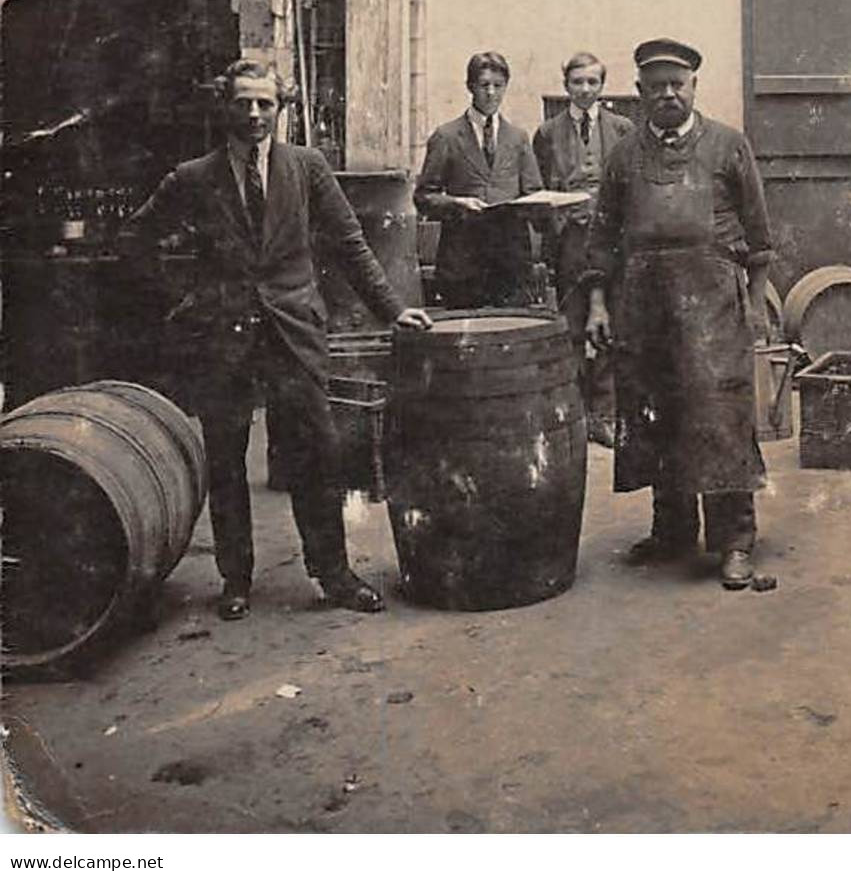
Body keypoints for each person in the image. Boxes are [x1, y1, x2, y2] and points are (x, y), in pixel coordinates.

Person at [121, 59, 433, 620]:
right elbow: (135, 240)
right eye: (243, 103)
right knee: (227, 461)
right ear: (226, 108)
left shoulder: (307, 167)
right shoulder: (194, 177)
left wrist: (393, 312)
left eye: (266, 103)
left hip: (293, 334)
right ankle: (235, 580)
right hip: (224, 337)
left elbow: (350, 244)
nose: (255, 114)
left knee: (317, 454)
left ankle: (334, 576)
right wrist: (185, 298)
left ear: (281, 108)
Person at [583, 38, 773, 590]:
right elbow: (601, 240)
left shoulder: (729, 146)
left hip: (712, 306)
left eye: (678, 85)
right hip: (644, 306)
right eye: (656, 86)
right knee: (655, 413)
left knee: (718, 418)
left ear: (693, 87)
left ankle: (735, 541)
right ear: (640, 93)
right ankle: (672, 530)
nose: (668, 94)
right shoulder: (624, 155)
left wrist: (756, 306)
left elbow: (760, 239)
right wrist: (598, 304)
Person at [533, 51, 636, 447]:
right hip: (570, 245)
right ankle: (575, 414)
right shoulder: (547, 134)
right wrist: (557, 224)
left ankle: (605, 414)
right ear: (566, 86)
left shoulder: (623, 129)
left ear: (602, 86)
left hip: (613, 244)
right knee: (572, 326)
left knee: (613, 321)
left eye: (592, 82)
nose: (585, 89)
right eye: (578, 82)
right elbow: (537, 189)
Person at [415, 51, 547, 308]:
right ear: (470, 86)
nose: (491, 93)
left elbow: (533, 191)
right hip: (463, 260)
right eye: (484, 85)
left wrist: (539, 206)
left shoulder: (518, 138)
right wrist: (456, 203)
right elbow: (423, 197)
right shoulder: (447, 136)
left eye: (498, 86)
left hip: (510, 260)